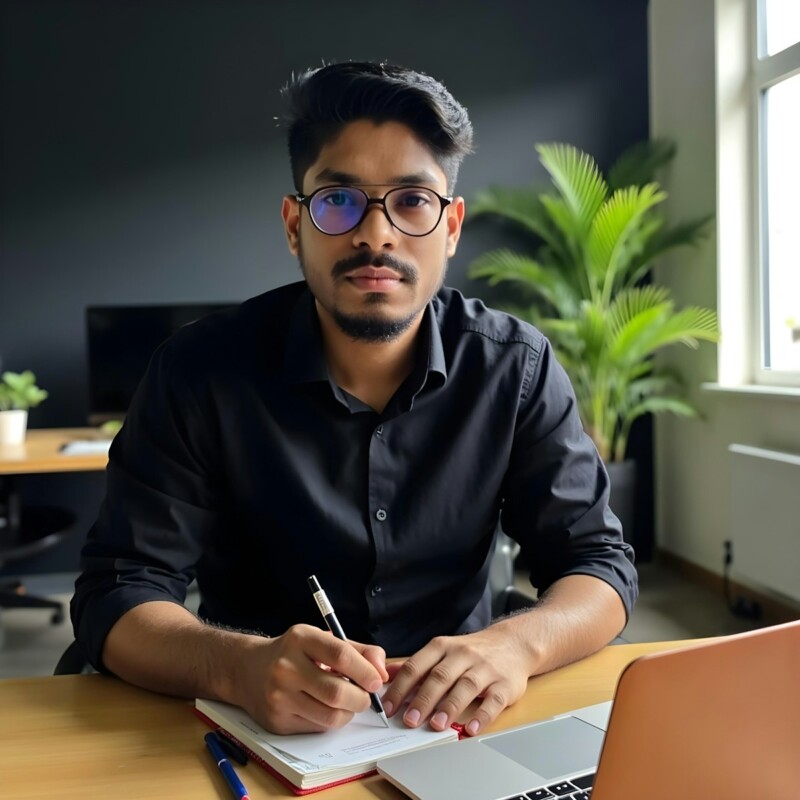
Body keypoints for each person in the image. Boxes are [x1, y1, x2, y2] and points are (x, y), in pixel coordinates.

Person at [72, 61, 637, 738]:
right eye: (338, 201)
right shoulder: (199, 372)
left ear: (451, 227)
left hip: (456, 727)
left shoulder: (514, 366)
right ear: (294, 225)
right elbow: (118, 591)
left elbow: (597, 566)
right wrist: (236, 668)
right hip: (259, 732)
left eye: (412, 201)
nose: (377, 234)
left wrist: (518, 644)